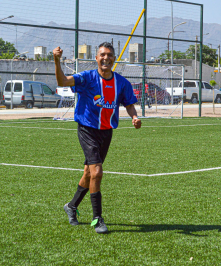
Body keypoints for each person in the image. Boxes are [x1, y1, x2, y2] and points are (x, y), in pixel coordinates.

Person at [53, 42, 142, 234]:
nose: (106, 58)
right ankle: (97, 219)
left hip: (106, 132)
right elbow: (62, 82)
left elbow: (129, 104)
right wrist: (56, 60)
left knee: (89, 173)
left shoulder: (121, 83)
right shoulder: (87, 78)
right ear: (96, 58)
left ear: (114, 58)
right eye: (102, 54)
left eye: (110, 55)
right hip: (87, 129)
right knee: (97, 172)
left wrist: (134, 116)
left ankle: (71, 206)